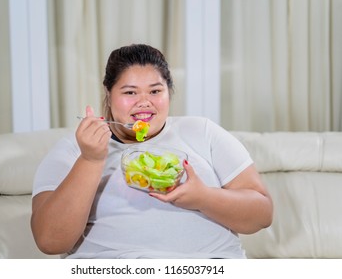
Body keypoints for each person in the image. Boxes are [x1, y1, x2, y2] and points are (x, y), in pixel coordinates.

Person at [31, 44, 273, 259]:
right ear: (109, 93)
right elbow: (50, 241)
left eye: (155, 91)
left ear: (169, 92)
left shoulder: (203, 131)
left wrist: (203, 198)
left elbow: (262, 214)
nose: (144, 102)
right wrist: (91, 159)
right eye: (130, 92)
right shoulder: (74, 149)